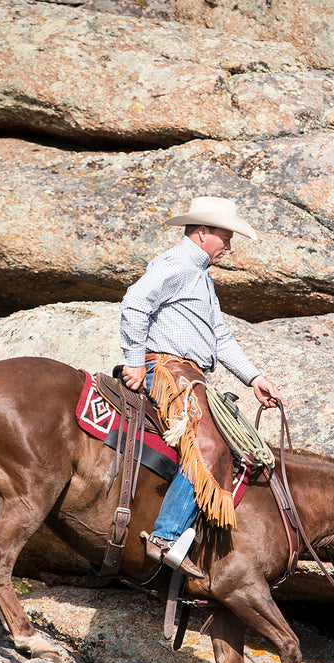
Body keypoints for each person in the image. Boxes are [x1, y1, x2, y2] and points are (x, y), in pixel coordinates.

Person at [120, 196, 280, 578]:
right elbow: (135, 302)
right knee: (206, 445)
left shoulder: (201, 277)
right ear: (203, 232)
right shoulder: (176, 264)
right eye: (225, 238)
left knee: (223, 442)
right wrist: (133, 359)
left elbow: (220, 337)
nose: (229, 247)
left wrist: (253, 377)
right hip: (168, 368)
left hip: (190, 374)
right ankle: (165, 536)